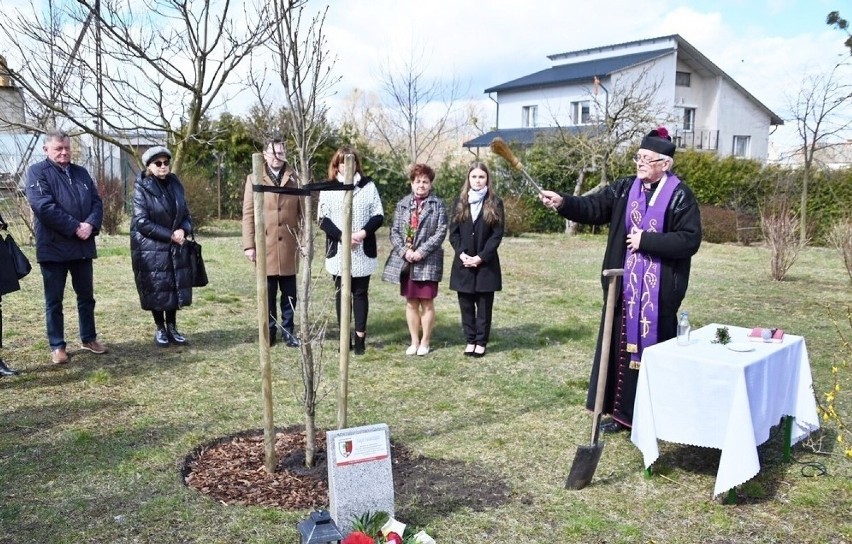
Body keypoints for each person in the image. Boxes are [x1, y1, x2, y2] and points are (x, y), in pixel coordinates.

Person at [539, 127, 702, 432]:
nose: (639, 163)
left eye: (646, 159)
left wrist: (647, 241)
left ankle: (651, 419)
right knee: (617, 354)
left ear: (664, 164)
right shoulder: (625, 188)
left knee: (651, 358)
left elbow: (689, 240)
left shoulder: (681, 195)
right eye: (638, 157)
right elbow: (593, 207)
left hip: (658, 297)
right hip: (622, 289)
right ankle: (620, 416)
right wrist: (563, 203)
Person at [25, 130, 107, 364]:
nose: (63, 152)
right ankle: (57, 345)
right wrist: (75, 227)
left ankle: (89, 338)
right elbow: (43, 207)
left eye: (67, 148)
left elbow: (96, 203)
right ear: (46, 150)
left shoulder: (81, 173)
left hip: (82, 247)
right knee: (54, 300)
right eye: (58, 148)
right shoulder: (37, 172)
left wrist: (90, 224)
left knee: (86, 297)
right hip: (53, 247)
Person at [318, 146, 384, 355]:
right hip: (339, 248)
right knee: (342, 294)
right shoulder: (328, 187)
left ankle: (360, 338)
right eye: (343, 162)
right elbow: (323, 218)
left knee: (360, 293)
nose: (347, 166)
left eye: (352, 161)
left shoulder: (368, 186)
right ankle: (344, 338)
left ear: (357, 164)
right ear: (336, 165)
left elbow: (378, 214)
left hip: (362, 249)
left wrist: (362, 233)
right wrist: (343, 237)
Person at [130, 146, 194, 347]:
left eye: (166, 162)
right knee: (157, 287)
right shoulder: (142, 186)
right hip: (150, 246)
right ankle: (160, 328)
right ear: (149, 166)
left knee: (173, 286)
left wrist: (183, 230)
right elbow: (142, 222)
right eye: (158, 163)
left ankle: (172, 327)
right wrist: (170, 235)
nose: (163, 166)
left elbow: (186, 214)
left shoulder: (175, 183)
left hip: (174, 243)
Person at [382, 163, 448, 356]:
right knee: (411, 302)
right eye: (418, 181)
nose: (421, 185)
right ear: (411, 183)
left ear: (431, 184)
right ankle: (414, 341)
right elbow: (394, 231)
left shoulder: (437, 205)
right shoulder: (402, 204)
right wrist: (405, 251)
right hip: (407, 261)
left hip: (428, 261)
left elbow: (441, 231)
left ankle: (425, 342)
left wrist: (421, 252)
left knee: (427, 302)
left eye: (425, 182)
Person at [242, 139, 303, 348]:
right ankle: (268, 332)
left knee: (289, 295)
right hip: (265, 245)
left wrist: (303, 242)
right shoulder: (254, 178)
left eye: (281, 153)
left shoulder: (296, 178)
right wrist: (249, 245)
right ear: (265, 154)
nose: (277, 157)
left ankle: (288, 331)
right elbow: (248, 213)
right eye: (273, 153)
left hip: (288, 245)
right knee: (267, 294)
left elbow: (303, 214)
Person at [448, 163, 505, 358]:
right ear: (468, 179)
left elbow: (497, 235)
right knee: (466, 305)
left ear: (487, 179)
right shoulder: (459, 202)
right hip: (463, 264)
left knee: (483, 306)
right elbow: (453, 234)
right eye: (474, 177)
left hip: (485, 265)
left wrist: (480, 257)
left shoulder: (495, 203)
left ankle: (481, 341)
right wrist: (462, 254)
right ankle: (470, 340)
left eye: (482, 177)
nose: (478, 180)